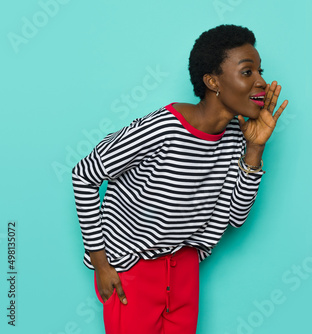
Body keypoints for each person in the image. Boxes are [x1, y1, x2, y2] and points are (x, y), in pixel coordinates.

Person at [72, 24, 288, 334]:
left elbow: (236, 218)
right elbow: (84, 174)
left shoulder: (235, 139)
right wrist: (101, 263)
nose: (261, 82)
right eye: (247, 72)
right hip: (133, 269)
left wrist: (254, 150)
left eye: (260, 71)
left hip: (184, 270)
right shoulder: (161, 129)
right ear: (213, 81)